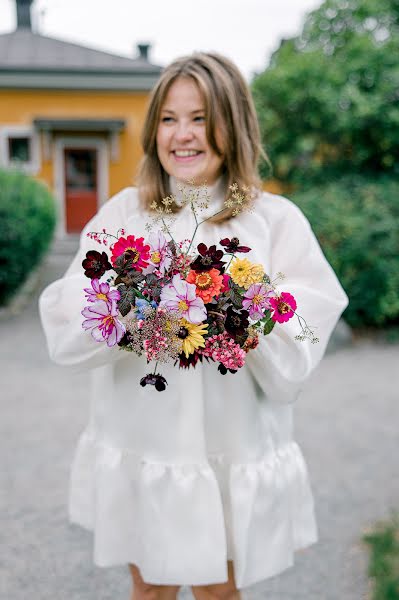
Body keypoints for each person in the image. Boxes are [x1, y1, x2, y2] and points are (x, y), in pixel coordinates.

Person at [39, 52, 349, 600]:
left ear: (235, 124)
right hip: (143, 442)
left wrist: (248, 309)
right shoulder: (123, 215)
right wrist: (131, 298)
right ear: (153, 128)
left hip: (229, 448)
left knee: (219, 591)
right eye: (169, 118)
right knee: (151, 589)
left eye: (202, 118)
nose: (183, 135)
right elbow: (69, 318)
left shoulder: (273, 220)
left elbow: (307, 328)